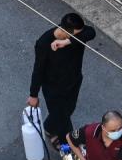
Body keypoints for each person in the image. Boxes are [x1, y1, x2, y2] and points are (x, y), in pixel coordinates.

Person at [28, 13, 96, 150]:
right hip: (54, 88)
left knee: (69, 109)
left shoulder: (76, 36)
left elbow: (91, 32)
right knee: (64, 120)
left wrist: (67, 41)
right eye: (75, 34)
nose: (78, 36)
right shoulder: (44, 43)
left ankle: (48, 127)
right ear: (65, 30)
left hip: (74, 81)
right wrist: (33, 94)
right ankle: (69, 146)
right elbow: (38, 70)